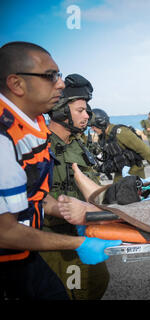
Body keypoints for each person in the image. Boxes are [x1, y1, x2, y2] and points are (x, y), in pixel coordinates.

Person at [0, 41, 121, 300]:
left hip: (25, 253)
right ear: (16, 84)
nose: (60, 83)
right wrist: (78, 242)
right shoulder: (4, 136)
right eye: (50, 76)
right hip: (22, 245)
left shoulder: (32, 129)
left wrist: (73, 209)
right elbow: (4, 232)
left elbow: (37, 194)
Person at [41, 73, 110, 300]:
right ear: (61, 111)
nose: (87, 115)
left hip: (85, 231)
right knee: (75, 292)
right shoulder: (40, 146)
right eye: (80, 110)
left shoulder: (78, 142)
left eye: (87, 110)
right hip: (54, 239)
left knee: (97, 282)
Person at [90, 108, 150, 183]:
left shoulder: (121, 133)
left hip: (134, 172)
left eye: (93, 126)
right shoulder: (103, 137)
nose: (92, 129)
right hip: (120, 171)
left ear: (101, 123)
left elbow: (143, 149)